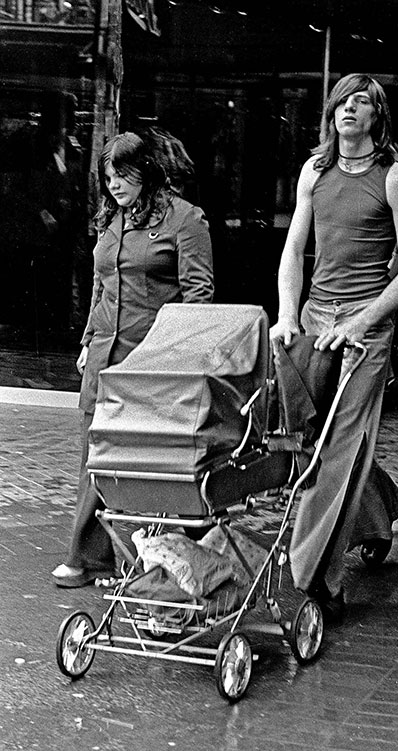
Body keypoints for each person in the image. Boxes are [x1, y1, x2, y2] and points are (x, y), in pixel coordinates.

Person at [270, 73, 398, 621]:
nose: (349, 109)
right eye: (342, 101)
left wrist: (361, 321)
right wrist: (288, 315)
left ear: (378, 118)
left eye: (362, 102)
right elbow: (294, 249)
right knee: (315, 441)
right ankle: (383, 506)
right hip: (315, 320)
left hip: (367, 333)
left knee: (339, 450)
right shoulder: (314, 172)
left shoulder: (396, 180)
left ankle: (316, 578)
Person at [52, 131, 214, 587]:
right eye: (108, 175)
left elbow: (199, 297)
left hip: (153, 360)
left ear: (148, 170)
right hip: (106, 355)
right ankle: (89, 557)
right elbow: (101, 286)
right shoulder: (111, 220)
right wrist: (87, 341)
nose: (115, 184)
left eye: (123, 173)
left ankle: (175, 559)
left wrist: (179, 357)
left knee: (154, 460)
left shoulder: (185, 220)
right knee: (95, 454)